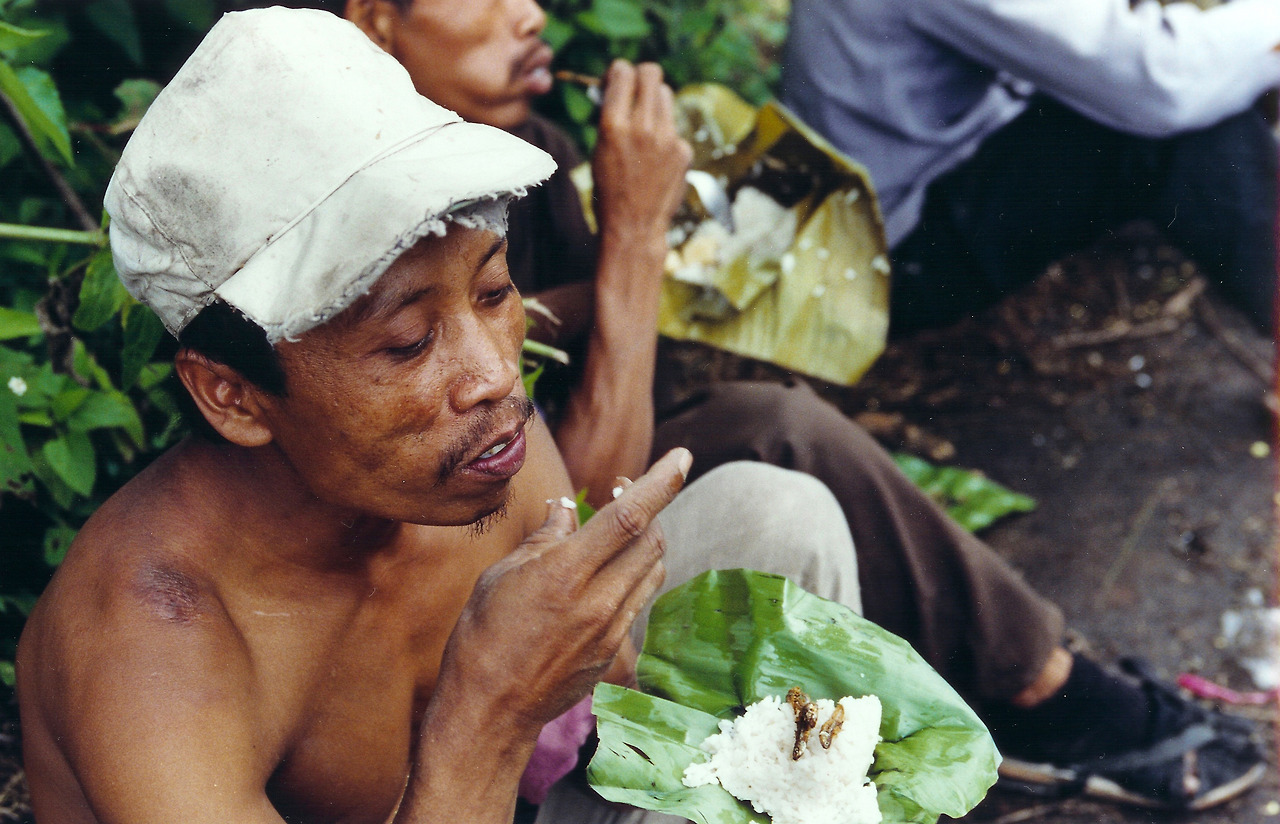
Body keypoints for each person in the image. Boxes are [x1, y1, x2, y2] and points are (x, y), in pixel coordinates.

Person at [334, 0, 1269, 812]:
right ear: (373, 21)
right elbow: (572, 509)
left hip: (557, 495)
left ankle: (1029, 685)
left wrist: (652, 239)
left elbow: (591, 384)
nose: (530, 14)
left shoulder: (532, 153)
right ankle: (1030, 697)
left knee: (771, 428)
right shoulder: (362, 236)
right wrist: (637, 241)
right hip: (501, 579)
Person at [14, 9, 868, 824]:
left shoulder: (468, 447)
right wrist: (489, 709)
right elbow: (502, 722)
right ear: (231, 395)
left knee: (774, 519)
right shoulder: (154, 651)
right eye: (409, 343)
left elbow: (611, 694)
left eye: (493, 292)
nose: (494, 376)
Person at [779, 0, 1280, 333]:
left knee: (1207, 69)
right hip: (869, 264)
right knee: (1181, 129)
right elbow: (1163, 80)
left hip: (859, 199)